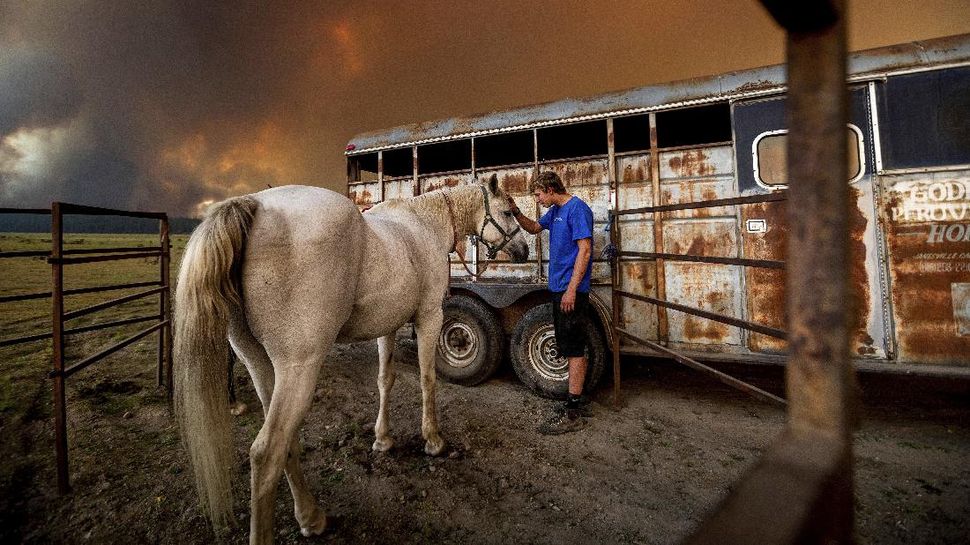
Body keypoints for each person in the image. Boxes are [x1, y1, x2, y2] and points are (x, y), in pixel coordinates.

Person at [506, 171, 594, 435]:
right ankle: (575, 401)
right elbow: (534, 228)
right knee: (570, 346)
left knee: (574, 349)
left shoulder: (577, 209)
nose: (538, 199)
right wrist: (515, 211)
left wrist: (571, 290)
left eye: (538, 194)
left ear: (551, 189)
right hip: (560, 289)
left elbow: (586, 249)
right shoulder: (555, 211)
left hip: (571, 291)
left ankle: (573, 413)